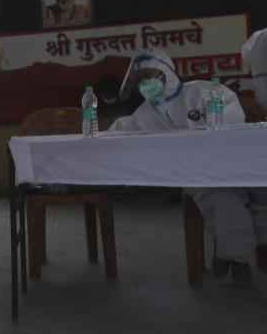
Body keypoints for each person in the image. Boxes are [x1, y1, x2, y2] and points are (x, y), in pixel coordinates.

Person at [108, 48, 265, 285]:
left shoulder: (201, 91)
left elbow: (232, 120)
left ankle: (230, 250)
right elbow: (118, 131)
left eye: (149, 75)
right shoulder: (145, 113)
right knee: (222, 199)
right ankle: (238, 258)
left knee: (261, 196)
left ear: (166, 72)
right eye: (139, 79)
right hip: (198, 176)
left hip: (234, 164)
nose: (144, 83)